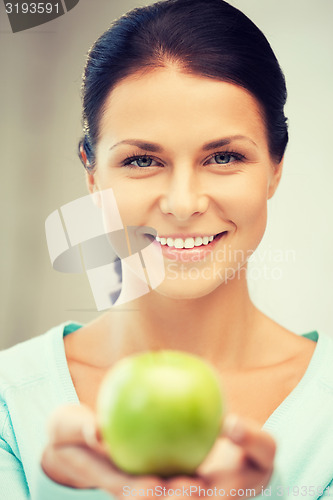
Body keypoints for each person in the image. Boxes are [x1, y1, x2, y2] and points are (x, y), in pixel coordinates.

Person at [1, 0, 333, 498]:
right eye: (141, 160)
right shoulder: (10, 401)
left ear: (275, 167)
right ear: (92, 176)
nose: (182, 204)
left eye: (223, 157)